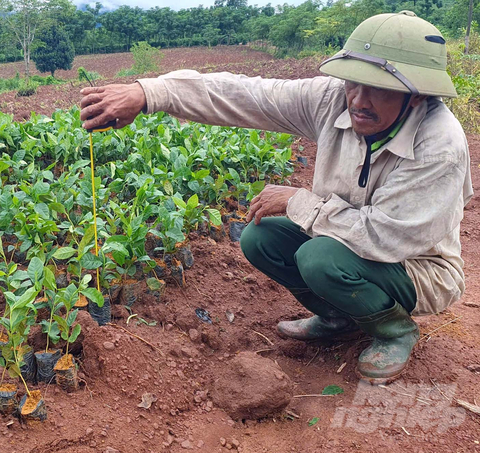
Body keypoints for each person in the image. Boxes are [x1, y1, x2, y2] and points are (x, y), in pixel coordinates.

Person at [79, 11, 473, 384]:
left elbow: (383, 238)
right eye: (353, 81)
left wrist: (298, 201)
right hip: (344, 240)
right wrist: (149, 93)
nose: (358, 100)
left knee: (318, 258)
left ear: (416, 95)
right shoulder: (333, 100)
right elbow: (248, 94)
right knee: (260, 236)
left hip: (417, 267)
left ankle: (394, 332)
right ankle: (338, 317)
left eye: (378, 89)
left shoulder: (439, 146)